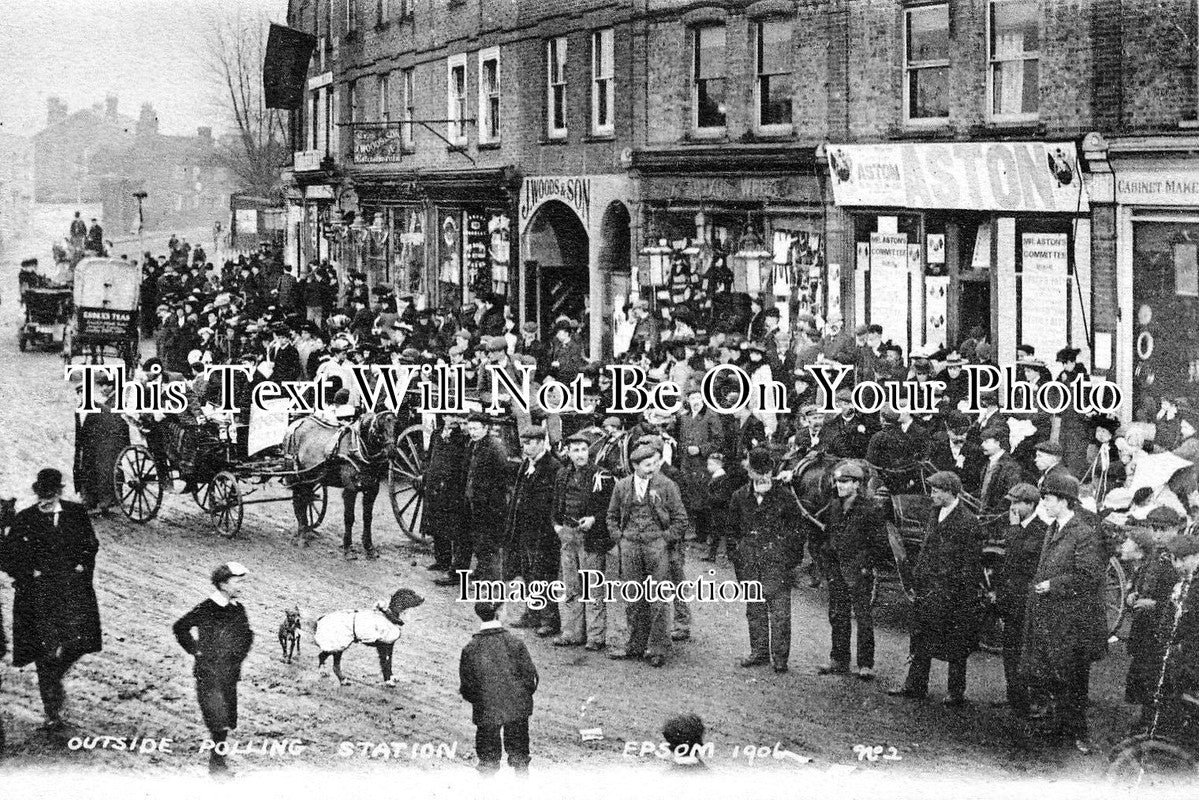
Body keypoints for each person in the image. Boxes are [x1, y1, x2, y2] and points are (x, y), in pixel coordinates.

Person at [0, 469, 102, 730]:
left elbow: (90, 544)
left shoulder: (76, 514)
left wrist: (82, 565)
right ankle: (52, 712)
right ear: (36, 493)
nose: (45, 500)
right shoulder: (25, 519)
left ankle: (56, 672)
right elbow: (7, 556)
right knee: (43, 652)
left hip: (71, 592)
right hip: (37, 597)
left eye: (50, 494)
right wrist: (26, 572)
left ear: (59, 492)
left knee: (78, 641)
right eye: (41, 495)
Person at [1019, 473, 1108, 754]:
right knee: (1054, 674)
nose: (1043, 502)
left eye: (1048, 498)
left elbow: (1089, 576)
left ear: (1065, 501)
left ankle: (1077, 732)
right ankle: (1058, 725)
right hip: (1053, 615)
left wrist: (1053, 585)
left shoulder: (1083, 533)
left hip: (1073, 620)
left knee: (1073, 677)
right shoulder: (1055, 527)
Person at [889, 470, 984, 706]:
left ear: (951, 492)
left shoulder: (968, 522)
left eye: (936, 490)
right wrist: (916, 579)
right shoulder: (935, 512)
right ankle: (915, 685)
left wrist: (961, 593)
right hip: (928, 588)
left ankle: (955, 692)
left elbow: (970, 564)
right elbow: (926, 549)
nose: (932, 494)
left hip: (952, 592)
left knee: (956, 642)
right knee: (921, 637)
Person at [605, 444, 689, 667]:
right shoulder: (622, 486)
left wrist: (665, 538)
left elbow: (681, 518)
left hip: (656, 546)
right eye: (647, 465)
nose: (653, 468)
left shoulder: (667, 485)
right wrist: (619, 538)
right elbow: (611, 516)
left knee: (659, 598)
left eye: (655, 463)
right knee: (633, 596)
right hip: (630, 546)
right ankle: (636, 645)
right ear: (634, 466)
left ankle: (659, 648)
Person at [172, 562, 254, 775]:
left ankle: (218, 762)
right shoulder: (207, 607)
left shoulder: (238, 609)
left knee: (226, 718)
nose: (241, 587)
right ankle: (217, 766)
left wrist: (238, 657)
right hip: (208, 673)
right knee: (217, 718)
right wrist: (196, 650)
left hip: (229, 674)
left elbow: (247, 636)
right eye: (237, 582)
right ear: (224, 584)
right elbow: (180, 627)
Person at [728, 448, 803, 673]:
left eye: (766, 472)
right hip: (749, 563)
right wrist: (738, 558)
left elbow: (797, 532)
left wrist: (788, 560)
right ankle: (759, 652)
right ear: (748, 472)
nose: (762, 477)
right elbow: (731, 532)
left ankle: (780, 657)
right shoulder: (739, 497)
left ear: (772, 471)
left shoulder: (785, 497)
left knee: (780, 612)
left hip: (777, 565)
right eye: (756, 472)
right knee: (755, 609)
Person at [816, 460, 884, 679]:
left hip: (858, 571)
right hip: (837, 570)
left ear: (857, 484)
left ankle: (865, 664)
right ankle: (838, 659)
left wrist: (864, 564)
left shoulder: (870, 509)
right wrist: (828, 559)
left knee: (863, 617)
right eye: (837, 482)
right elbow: (827, 536)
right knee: (838, 615)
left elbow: (878, 543)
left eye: (845, 482)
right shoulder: (835, 506)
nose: (839, 486)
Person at [458, 602, 539, 775]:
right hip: (517, 708)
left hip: (486, 710)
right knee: (520, 758)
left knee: (487, 762)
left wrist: (482, 701)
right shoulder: (515, 643)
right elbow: (530, 680)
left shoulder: (470, 648)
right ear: (499, 613)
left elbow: (467, 688)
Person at [552, 432, 613, 649]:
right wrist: (557, 526)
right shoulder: (562, 474)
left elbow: (609, 507)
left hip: (590, 538)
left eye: (584, 450)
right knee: (571, 587)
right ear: (568, 452)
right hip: (568, 534)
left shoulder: (601, 476)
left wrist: (594, 518)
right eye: (575, 450)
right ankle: (572, 633)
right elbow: (555, 503)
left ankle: (595, 637)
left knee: (592, 587)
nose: (580, 454)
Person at [993, 483, 1048, 718]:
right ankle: (1014, 697)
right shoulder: (1017, 528)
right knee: (1010, 649)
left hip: (1027, 600)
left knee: (1026, 651)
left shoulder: (1040, 531)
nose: (1012, 508)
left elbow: (1018, 559)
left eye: (1017, 503)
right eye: (1011, 503)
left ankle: (1029, 701)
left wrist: (1014, 529)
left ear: (1031, 505)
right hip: (1011, 598)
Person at [505, 426, 562, 637]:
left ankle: (550, 619)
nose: (525, 447)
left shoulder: (553, 467)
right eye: (524, 443)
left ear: (541, 442)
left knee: (544, 575)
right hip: (524, 530)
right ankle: (532, 613)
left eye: (529, 443)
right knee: (528, 573)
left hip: (543, 532)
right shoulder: (526, 465)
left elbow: (553, 503)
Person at [74, 372, 131, 515]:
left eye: (85, 393)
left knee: (104, 471)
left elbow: (115, 427)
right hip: (88, 446)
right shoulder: (79, 411)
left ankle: (107, 501)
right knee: (86, 471)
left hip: (103, 445)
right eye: (80, 393)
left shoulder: (102, 409)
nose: (83, 396)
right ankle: (89, 500)